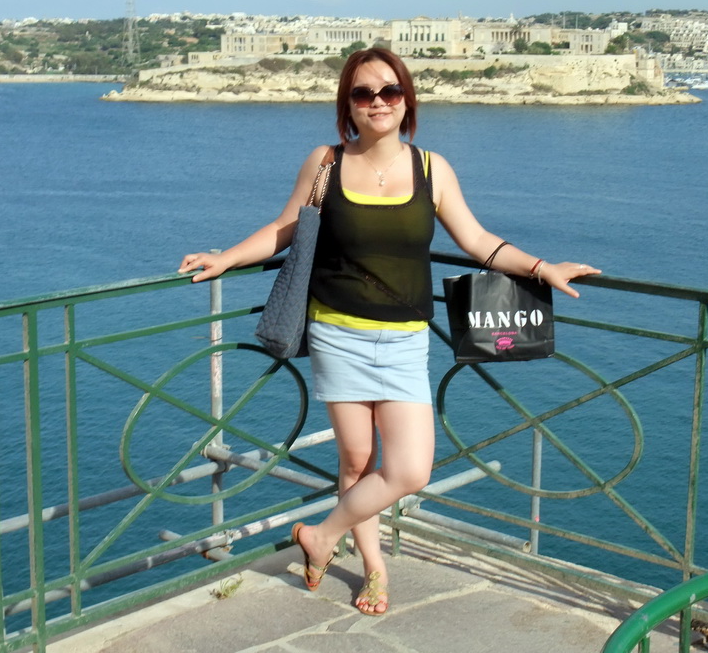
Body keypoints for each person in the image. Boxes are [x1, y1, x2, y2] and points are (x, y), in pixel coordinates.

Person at [179, 48, 600, 616]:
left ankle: (322, 535)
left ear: (406, 100)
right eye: (362, 93)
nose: (376, 102)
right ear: (346, 106)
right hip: (337, 332)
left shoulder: (432, 169)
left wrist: (540, 266)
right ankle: (374, 568)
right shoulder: (325, 163)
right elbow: (283, 229)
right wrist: (225, 257)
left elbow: (477, 242)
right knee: (355, 461)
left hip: (404, 338)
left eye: (388, 91)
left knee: (409, 469)